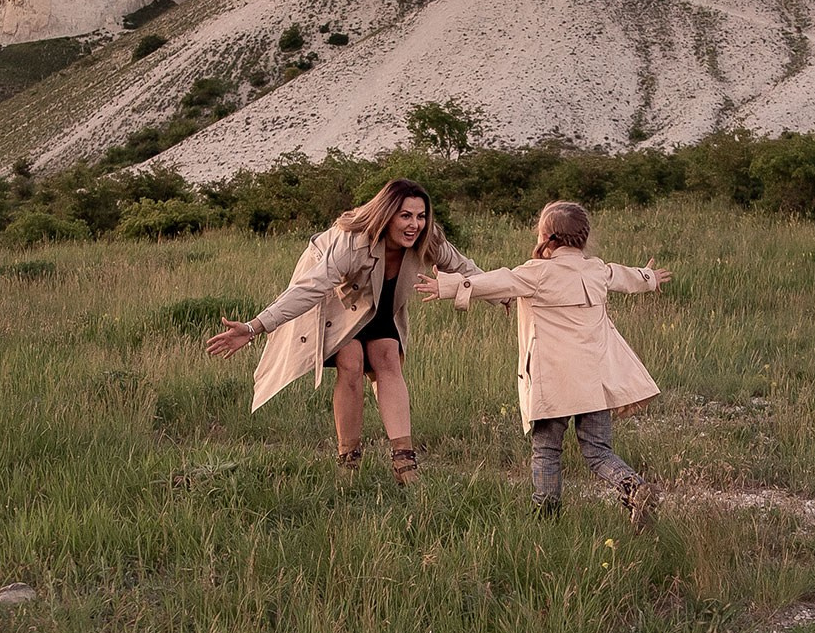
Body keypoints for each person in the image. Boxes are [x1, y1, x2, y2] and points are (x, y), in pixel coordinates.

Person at [205, 178, 483, 483]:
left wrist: (508, 292)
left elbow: (466, 269)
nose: (415, 224)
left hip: (379, 303)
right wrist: (253, 327)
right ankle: (348, 461)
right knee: (351, 361)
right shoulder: (353, 242)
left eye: (421, 215)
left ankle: (405, 462)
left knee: (388, 356)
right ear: (387, 214)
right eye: (405, 215)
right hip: (335, 299)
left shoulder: (428, 239)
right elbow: (310, 288)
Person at [415, 200, 671, 529]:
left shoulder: (536, 273)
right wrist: (649, 277)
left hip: (553, 383)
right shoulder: (596, 269)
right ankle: (634, 488)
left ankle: (545, 519)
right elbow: (624, 276)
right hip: (593, 381)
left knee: (547, 449)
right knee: (597, 451)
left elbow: (496, 281)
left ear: (546, 237)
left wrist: (447, 286)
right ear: (583, 238)